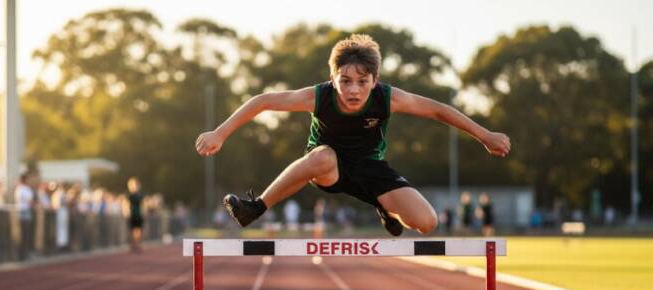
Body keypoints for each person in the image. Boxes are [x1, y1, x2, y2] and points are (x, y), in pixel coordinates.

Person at [195, 34, 510, 235]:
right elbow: (263, 101)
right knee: (323, 155)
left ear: (375, 80)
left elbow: (439, 110)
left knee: (428, 224)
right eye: (345, 81)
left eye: (362, 81)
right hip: (327, 167)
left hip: (371, 168)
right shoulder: (318, 96)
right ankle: (257, 207)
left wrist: (485, 135)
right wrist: (220, 133)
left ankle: (387, 209)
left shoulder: (389, 97)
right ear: (332, 78)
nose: (353, 90)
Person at [125, 177, 144, 252]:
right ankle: (133, 245)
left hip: (138, 215)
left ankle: (138, 244)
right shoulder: (129, 195)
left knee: (138, 231)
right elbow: (126, 204)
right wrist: (127, 212)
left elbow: (143, 205)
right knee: (131, 230)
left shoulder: (140, 195)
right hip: (131, 215)